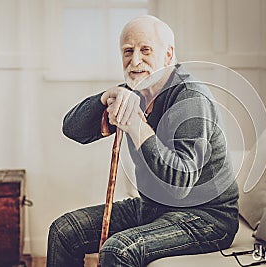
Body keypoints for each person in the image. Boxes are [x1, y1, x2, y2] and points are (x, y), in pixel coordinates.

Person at [47, 15, 239, 267]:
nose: (135, 60)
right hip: (153, 206)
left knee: (119, 250)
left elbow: (178, 185)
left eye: (145, 50)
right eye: (128, 51)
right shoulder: (134, 90)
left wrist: (137, 126)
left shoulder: (191, 98)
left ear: (169, 54)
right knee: (63, 232)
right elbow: (73, 129)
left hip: (207, 218)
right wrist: (106, 97)